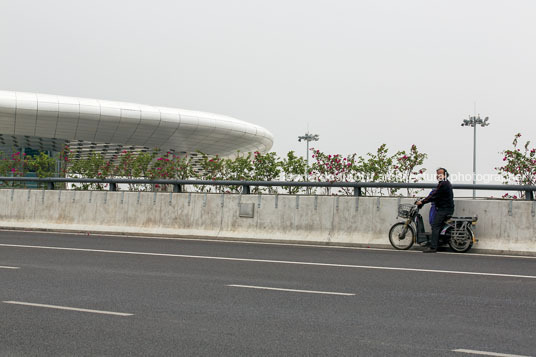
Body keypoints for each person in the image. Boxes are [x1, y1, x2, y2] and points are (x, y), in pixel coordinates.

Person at [416, 168, 454, 253]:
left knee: (435, 226)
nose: (438, 176)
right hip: (446, 208)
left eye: (440, 174)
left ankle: (433, 247)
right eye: (437, 174)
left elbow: (434, 195)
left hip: (444, 209)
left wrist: (422, 202)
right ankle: (439, 242)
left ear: (445, 175)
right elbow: (435, 195)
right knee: (438, 225)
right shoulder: (444, 183)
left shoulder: (443, 184)